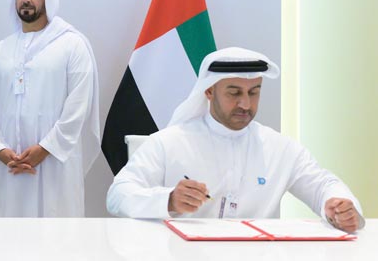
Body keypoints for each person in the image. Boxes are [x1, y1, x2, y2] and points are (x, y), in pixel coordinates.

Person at [106, 47, 364, 233]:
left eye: (254, 92)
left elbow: (323, 185)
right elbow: (118, 195)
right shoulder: (168, 142)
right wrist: (169, 200)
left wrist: (339, 207)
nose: (246, 104)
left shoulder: (280, 148)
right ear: (209, 91)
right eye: (234, 93)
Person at [0, 0, 100, 217]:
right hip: (9, 164)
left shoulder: (72, 45)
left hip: (54, 162)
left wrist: (45, 148)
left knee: (56, 229)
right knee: (8, 230)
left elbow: (78, 106)